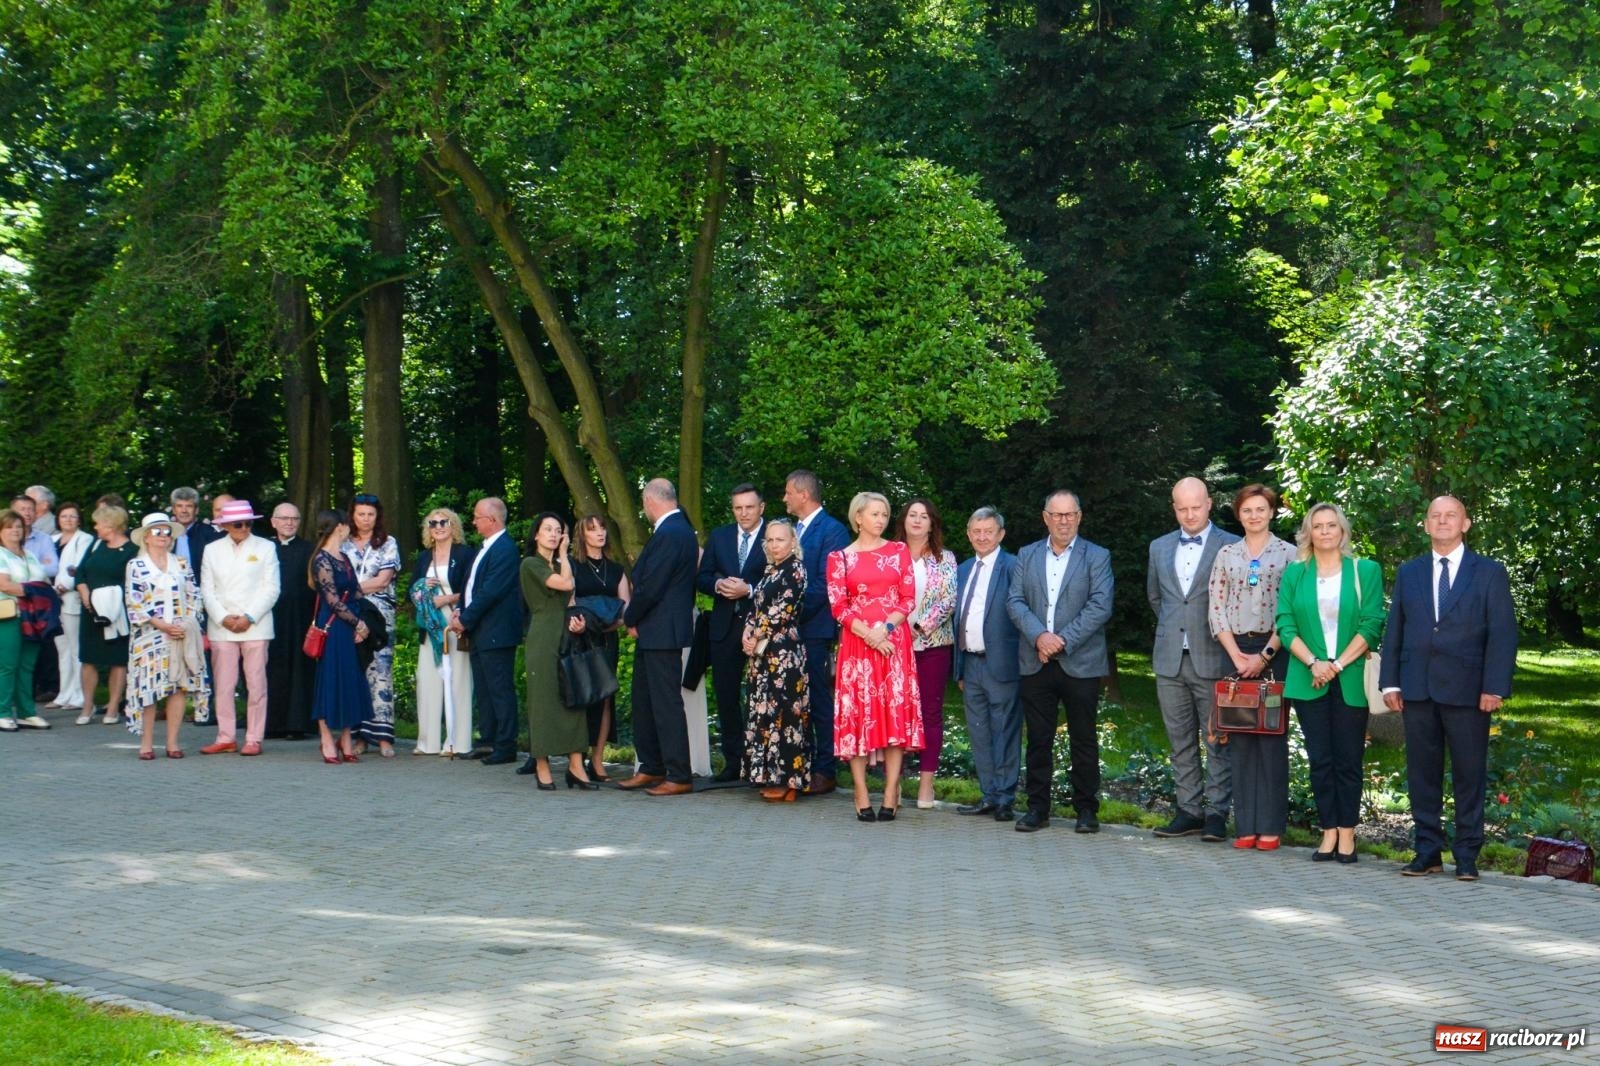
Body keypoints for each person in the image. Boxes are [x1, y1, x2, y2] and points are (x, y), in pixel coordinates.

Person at [1382, 496, 1517, 882]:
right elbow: (1396, 630)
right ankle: (1427, 851)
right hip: (1418, 687)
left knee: (1468, 774)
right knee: (1421, 773)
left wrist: (1494, 686)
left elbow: (1503, 634)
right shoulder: (1410, 572)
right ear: (1425, 525)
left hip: (1470, 690)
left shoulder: (1489, 572)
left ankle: (1467, 855)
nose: (1442, 522)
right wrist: (1391, 680)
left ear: (1466, 524)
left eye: (1450, 516)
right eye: (1435, 517)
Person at [1275, 502, 1385, 865]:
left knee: (1348, 759)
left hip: (1350, 676)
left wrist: (1335, 664)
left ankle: (1349, 834)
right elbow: (1285, 624)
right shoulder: (1295, 573)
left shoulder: (1365, 571)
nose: (1324, 531)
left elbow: (1371, 624)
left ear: (1342, 531)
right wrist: (1314, 663)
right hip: (1308, 678)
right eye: (1317, 526)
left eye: (1331, 525)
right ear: (1308, 533)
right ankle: (1328, 833)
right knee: (1320, 759)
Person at [1005, 489, 1114, 834]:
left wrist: (1059, 642)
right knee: (1038, 739)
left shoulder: (1097, 556)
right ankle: (1038, 808)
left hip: (1080, 662)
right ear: (1045, 517)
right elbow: (1015, 602)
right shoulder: (1027, 554)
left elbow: (1100, 606)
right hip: (1035, 660)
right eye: (1057, 514)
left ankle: (1086, 810)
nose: (1063, 521)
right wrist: (1040, 637)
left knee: (1083, 739)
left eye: (1069, 515)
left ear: (1079, 517)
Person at [1147, 477, 1241, 841]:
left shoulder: (1231, 545)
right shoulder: (1158, 547)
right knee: (1179, 740)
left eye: (1196, 507)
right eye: (1182, 508)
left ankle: (1217, 813)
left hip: (1214, 655)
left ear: (1209, 503)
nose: (1189, 514)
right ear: (1174, 507)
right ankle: (1188, 810)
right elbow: (1157, 598)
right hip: (1169, 656)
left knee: (1218, 738)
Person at [1207, 484, 1296, 851]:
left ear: (1272, 512)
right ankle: (1245, 826)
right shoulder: (1227, 554)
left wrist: (1265, 656)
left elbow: (1291, 611)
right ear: (1238, 514)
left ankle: (1271, 827)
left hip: (1275, 652)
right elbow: (1217, 606)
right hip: (1236, 653)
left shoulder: (1291, 555)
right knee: (1241, 741)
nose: (1254, 516)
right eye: (1247, 510)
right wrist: (1238, 656)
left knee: (1271, 741)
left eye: (1261, 509)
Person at [826, 491, 923, 823]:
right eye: (874, 514)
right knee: (858, 715)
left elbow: (908, 597)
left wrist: (884, 629)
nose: (881, 519)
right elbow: (838, 605)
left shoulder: (898, 551)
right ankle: (860, 790)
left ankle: (892, 789)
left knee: (893, 713)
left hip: (893, 643)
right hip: (856, 647)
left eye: (884, 514)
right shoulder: (839, 558)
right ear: (858, 518)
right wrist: (868, 634)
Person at [616, 479, 699, 796]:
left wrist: (631, 616)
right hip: (655, 630)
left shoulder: (671, 532)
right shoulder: (678, 530)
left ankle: (678, 773)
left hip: (662, 630)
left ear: (649, 501)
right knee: (645, 701)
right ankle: (651, 766)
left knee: (665, 704)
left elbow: (651, 585)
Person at [783, 469, 851, 795]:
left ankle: (826, 769)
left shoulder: (833, 531)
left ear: (803, 494)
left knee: (820, 701)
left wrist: (788, 610)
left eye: (788, 492)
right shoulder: (792, 530)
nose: (784, 498)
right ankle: (800, 765)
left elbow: (827, 586)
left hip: (814, 629)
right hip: (789, 633)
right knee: (795, 701)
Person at [953, 507, 1022, 823]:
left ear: (1001, 535)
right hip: (971, 664)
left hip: (1003, 665)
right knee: (979, 733)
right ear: (969, 534)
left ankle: (1006, 798)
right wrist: (959, 669)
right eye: (976, 531)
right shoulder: (964, 568)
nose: (982, 537)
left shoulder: (1013, 567)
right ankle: (989, 795)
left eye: (988, 531)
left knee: (1005, 731)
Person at [695, 483, 767, 782]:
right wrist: (717, 586)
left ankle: (761, 762)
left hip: (761, 628)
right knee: (725, 695)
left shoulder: (775, 536)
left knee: (762, 696)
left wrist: (748, 590)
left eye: (749, 507)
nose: (743, 513)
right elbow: (702, 576)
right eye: (738, 508)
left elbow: (786, 578)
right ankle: (734, 761)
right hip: (724, 626)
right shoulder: (721, 536)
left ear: (761, 507)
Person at [518, 513, 596, 789]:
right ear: (536, 534)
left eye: (558, 530)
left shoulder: (563, 564)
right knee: (543, 701)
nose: (553, 534)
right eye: (547, 529)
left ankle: (576, 765)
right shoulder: (530, 564)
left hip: (567, 635)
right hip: (542, 637)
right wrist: (564, 555)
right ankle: (542, 763)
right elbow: (564, 585)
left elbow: (571, 598)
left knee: (573, 697)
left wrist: (578, 623)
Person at [198, 500, 281, 757]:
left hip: (256, 624)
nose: (244, 527)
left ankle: (254, 738)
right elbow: (207, 590)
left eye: (248, 523)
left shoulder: (266, 547)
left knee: (256, 684)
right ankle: (226, 736)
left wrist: (249, 616)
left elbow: (272, 588)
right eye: (238, 523)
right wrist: (223, 617)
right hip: (222, 625)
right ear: (224, 525)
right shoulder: (211, 550)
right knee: (224, 684)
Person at [124, 512, 208, 759]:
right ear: (146, 537)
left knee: (178, 687)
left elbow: (195, 595)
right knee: (149, 689)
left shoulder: (181, 563)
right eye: (157, 531)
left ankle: (173, 743)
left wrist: (186, 622)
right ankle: (146, 743)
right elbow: (134, 601)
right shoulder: (136, 565)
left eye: (167, 531)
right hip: (149, 636)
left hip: (180, 632)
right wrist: (160, 624)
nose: (163, 536)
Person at [740, 518, 810, 802]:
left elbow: (783, 610)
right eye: (769, 540)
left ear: (792, 542)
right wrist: (747, 631)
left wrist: (755, 634)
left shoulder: (796, 569)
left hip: (784, 656)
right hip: (762, 656)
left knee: (785, 715)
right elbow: (756, 607)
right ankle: (768, 776)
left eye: (780, 539)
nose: (774, 544)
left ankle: (789, 782)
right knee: (764, 714)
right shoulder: (770, 571)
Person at [452, 497, 523, 765]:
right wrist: (461, 610)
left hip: (497, 630)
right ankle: (488, 740)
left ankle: (506, 745)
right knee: (484, 688)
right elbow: (469, 585)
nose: (473, 521)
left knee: (499, 688)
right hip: (480, 629)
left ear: (492, 520)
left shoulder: (505, 549)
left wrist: (465, 619)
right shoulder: (484, 548)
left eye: (477, 517)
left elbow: (491, 591)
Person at [896, 497, 957, 809]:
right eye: (912, 515)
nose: (918, 520)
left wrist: (918, 628)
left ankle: (926, 786)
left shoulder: (945, 558)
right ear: (904, 521)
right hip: (893, 648)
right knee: (897, 713)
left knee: (929, 714)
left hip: (932, 647)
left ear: (932, 523)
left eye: (924, 516)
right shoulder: (889, 555)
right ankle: (894, 783)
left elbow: (948, 601)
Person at [410, 507, 475, 757]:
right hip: (430, 624)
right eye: (432, 523)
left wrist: (446, 598)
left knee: (458, 680)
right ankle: (428, 742)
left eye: (443, 522)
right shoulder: (425, 558)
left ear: (453, 525)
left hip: (455, 620)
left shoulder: (465, 554)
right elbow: (412, 593)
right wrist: (422, 593)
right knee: (427, 679)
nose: (438, 527)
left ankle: (457, 743)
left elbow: (473, 589)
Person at [308, 509, 371, 763]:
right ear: (339, 528)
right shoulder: (321, 560)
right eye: (347, 525)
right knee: (330, 680)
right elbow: (332, 600)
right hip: (332, 627)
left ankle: (345, 737)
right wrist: (358, 623)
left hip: (348, 626)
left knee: (349, 681)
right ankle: (325, 738)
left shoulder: (344, 558)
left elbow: (355, 591)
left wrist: (360, 624)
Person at [570, 514, 629, 782]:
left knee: (605, 697)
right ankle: (577, 757)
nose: (600, 533)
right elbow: (568, 604)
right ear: (582, 535)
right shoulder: (572, 566)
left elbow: (625, 608)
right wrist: (582, 625)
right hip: (579, 639)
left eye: (602, 528)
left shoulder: (616, 569)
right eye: (593, 530)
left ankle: (598, 758)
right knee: (582, 695)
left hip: (606, 639)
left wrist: (605, 624)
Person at [343, 492, 401, 757]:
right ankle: (359, 737)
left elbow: (382, 580)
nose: (365, 519)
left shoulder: (387, 543)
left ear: (378, 517)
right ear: (352, 515)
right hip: (349, 615)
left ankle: (383, 737)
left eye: (370, 514)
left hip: (379, 616)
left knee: (380, 671)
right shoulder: (342, 543)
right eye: (361, 514)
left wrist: (347, 590)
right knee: (354, 672)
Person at [76, 504, 137, 726]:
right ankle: (87, 705)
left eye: (98, 523)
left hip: (116, 613)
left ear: (110, 525)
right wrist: (84, 592)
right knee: (88, 659)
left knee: (118, 660)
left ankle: (113, 706)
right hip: (91, 611)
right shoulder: (96, 544)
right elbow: (81, 572)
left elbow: (133, 581)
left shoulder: (132, 549)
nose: (95, 527)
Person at [265, 503, 316, 738]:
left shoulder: (309, 549)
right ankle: (271, 724)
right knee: (270, 669)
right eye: (284, 518)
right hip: (269, 617)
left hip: (300, 618)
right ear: (273, 522)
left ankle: (298, 725)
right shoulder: (264, 548)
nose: (289, 522)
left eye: (294, 518)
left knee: (299, 669)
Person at [0, 509, 50, 732]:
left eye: (18, 526)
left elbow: (44, 579)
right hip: (9, 615)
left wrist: (35, 590)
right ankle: (2, 712)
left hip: (32, 617)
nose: (15, 531)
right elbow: (5, 585)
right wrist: (35, 591)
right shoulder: (1, 554)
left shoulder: (28, 554)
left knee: (27, 666)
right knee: (7, 665)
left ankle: (26, 712)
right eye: (9, 527)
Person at [51, 503, 94, 717]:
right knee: (62, 648)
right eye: (64, 516)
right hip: (52, 599)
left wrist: (62, 586)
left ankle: (79, 695)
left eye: (72, 516)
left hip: (70, 598)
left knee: (76, 648)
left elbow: (77, 567)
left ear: (79, 520)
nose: (68, 519)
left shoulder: (84, 539)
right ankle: (64, 693)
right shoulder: (52, 540)